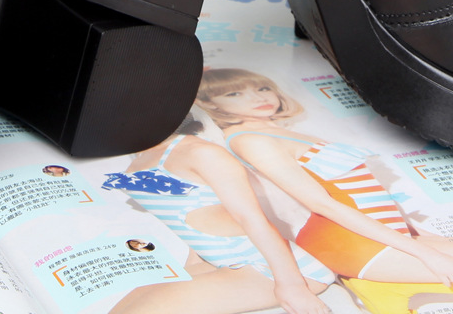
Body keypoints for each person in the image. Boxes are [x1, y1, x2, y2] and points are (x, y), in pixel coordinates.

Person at [198, 70, 453, 290]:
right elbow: (323, 204)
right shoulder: (250, 140)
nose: (258, 97)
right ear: (210, 103)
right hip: (351, 243)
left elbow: (361, 193)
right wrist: (426, 252)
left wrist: (418, 236)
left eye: (261, 87)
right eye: (235, 94)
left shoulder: (276, 132)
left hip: (382, 234)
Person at [102, 119, 334, 314]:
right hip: (219, 262)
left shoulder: (201, 152)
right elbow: (187, 213)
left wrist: (292, 286)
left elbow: (251, 218)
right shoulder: (138, 161)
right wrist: (190, 268)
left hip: (274, 268)